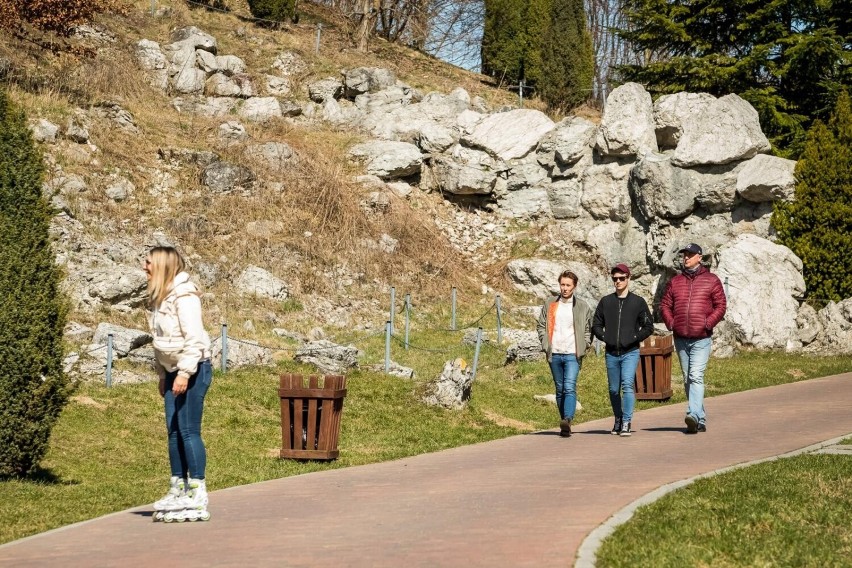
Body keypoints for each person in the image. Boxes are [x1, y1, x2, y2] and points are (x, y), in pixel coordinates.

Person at [144, 246, 213, 522]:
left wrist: (184, 373)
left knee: (187, 431)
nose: (144, 267)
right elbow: (160, 341)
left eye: (148, 263)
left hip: (194, 367)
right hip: (173, 370)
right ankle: (178, 487)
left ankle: (197, 489)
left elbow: (194, 339)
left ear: (161, 265)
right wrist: (163, 374)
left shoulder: (185, 296)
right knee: (172, 431)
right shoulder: (160, 297)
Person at [660, 243, 727, 434]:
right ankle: (700, 418)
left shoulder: (712, 280)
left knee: (695, 376)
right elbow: (665, 305)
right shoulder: (676, 281)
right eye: (684, 255)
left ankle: (693, 414)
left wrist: (708, 323)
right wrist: (671, 323)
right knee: (688, 378)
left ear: (699, 256)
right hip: (681, 337)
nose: (686, 258)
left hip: (701, 338)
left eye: (690, 254)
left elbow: (720, 306)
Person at [592, 264, 654, 437]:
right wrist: (605, 337)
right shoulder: (606, 302)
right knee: (613, 389)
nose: (618, 281)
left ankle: (626, 421)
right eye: (615, 279)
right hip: (611, 353)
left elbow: (649, 326)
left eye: (621, 278)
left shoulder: (638, 302)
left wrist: (634, 338)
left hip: (630, 352)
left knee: (627, 384)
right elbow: (596, 324)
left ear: (628, 278)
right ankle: (618, 418)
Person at [536, 270, 593, 437]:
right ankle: (564, 422)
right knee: (560, 388)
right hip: (554, 353)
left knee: (569, 386)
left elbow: (588, 330)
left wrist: (585, 345)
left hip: (572, 354)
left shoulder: (582, 306)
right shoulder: (550, 304)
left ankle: (568, 418)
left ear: (574, 286)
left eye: (568, 285)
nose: (565, 288)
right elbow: (541, 325)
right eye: (562, 284)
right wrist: (545, 343)